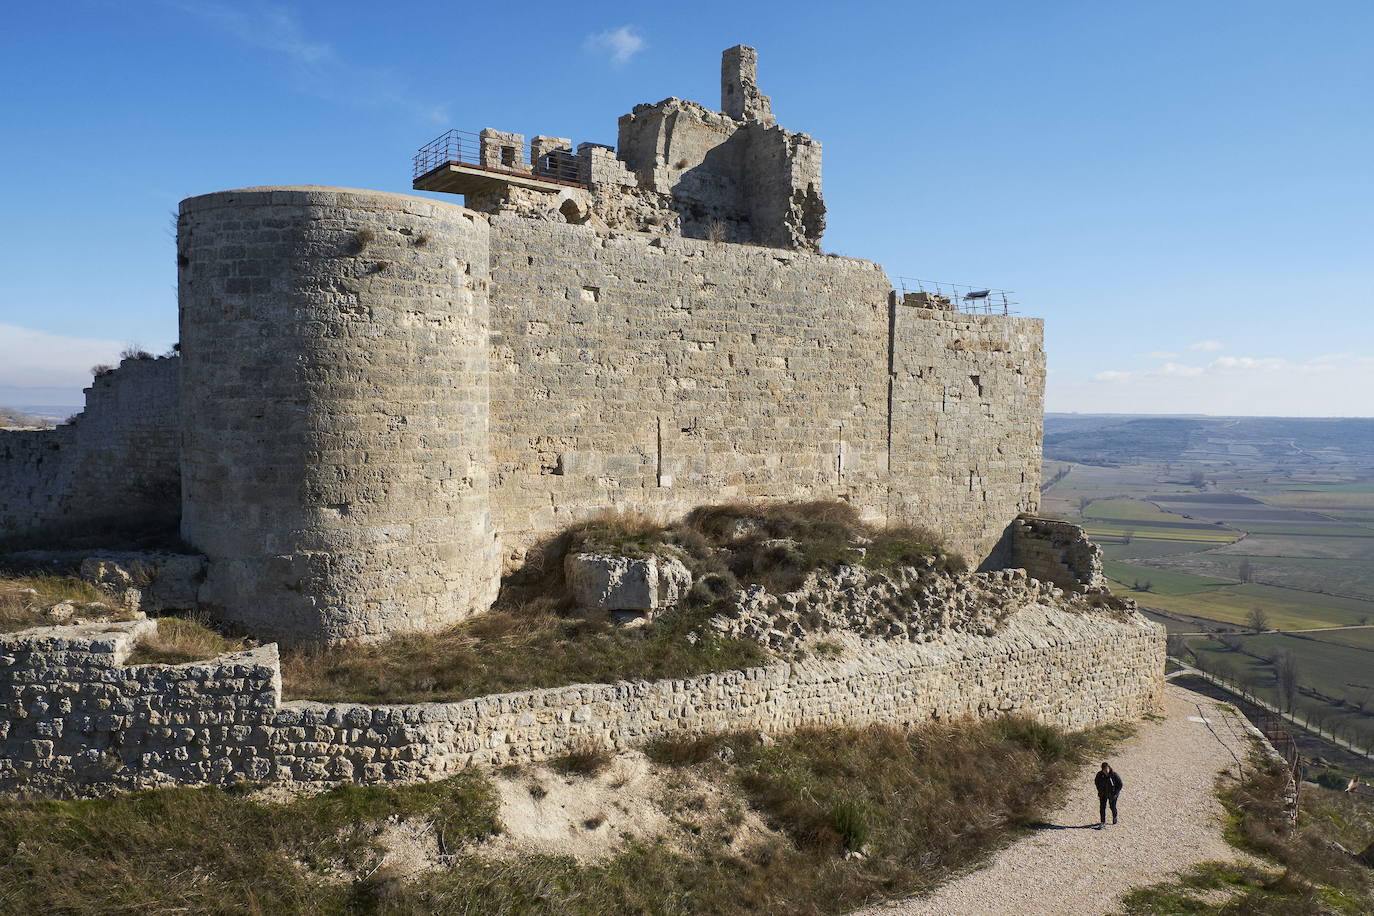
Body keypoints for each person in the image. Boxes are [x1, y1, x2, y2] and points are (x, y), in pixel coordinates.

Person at [1095, 762, 1123, 828]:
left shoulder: (1114, 775)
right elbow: (1096, 782)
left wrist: (1116, 793)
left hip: (1112, 794)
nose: (1106, 771)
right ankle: (1102, 822)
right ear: (1102, 770)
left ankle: (1115, 816)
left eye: (1107, 769)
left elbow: (1120, 784)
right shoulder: (1099, 775)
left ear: (1109, 768)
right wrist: (1099, 790)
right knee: (1102, 807)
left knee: (1112, 807)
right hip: (1103, 794)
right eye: (1104, 770)